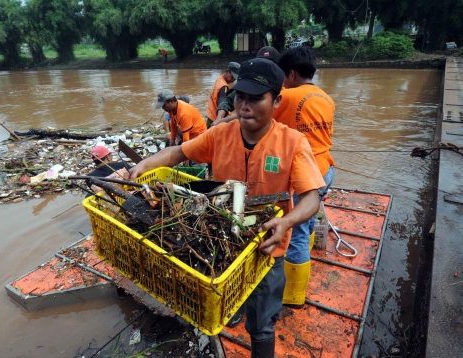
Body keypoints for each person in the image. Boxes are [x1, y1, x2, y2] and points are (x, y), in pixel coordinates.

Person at [130, 58, 325, 357]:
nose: (244, 106)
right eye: (240, 98)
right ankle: (230, 317)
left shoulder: (293, 143)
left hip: (265, 248)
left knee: (261, 323)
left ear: (277, 101)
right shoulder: (220, 134)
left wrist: (286, 222)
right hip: (221, 242)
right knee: (222, 307)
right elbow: (178, 153)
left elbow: (311, 197)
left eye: (256, 99)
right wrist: (144, 164)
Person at [275, 46, 336, 308]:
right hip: (326, 169)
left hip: (305, 174)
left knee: (295, 232)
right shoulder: (327, 98)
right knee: (308, 222)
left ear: (290, 74)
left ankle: (293, 296)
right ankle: (306, 256)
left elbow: (260, 119)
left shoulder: (286, 96)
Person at [212, 47, 279, 126]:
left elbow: (252, 114)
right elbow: (228, 100)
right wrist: (219, 118)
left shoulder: (284, 87)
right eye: (262, 64)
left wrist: (223, 120)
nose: (265, 69)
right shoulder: (249, 84)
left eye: (270, 65)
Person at [205, 62, 240, 128]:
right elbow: (223, 104)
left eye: (235, 78)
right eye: (232, 77)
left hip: (210, 115)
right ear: (227, 71)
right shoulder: (223, 87)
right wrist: (221, 120)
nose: (233, 80)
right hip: (216, 120)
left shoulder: (219, 79)